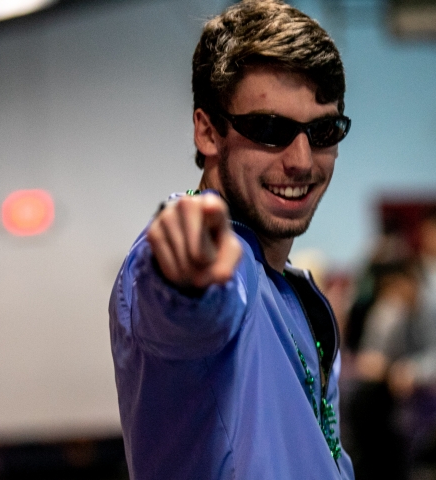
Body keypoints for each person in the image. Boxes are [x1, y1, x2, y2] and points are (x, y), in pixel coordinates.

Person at [108, 1, 354, 478]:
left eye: (322, 130)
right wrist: (184, 279)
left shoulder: (288, 291)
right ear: (207, 131)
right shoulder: (220, 264)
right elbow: (184, 307)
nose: (302, 160)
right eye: (269, 130)